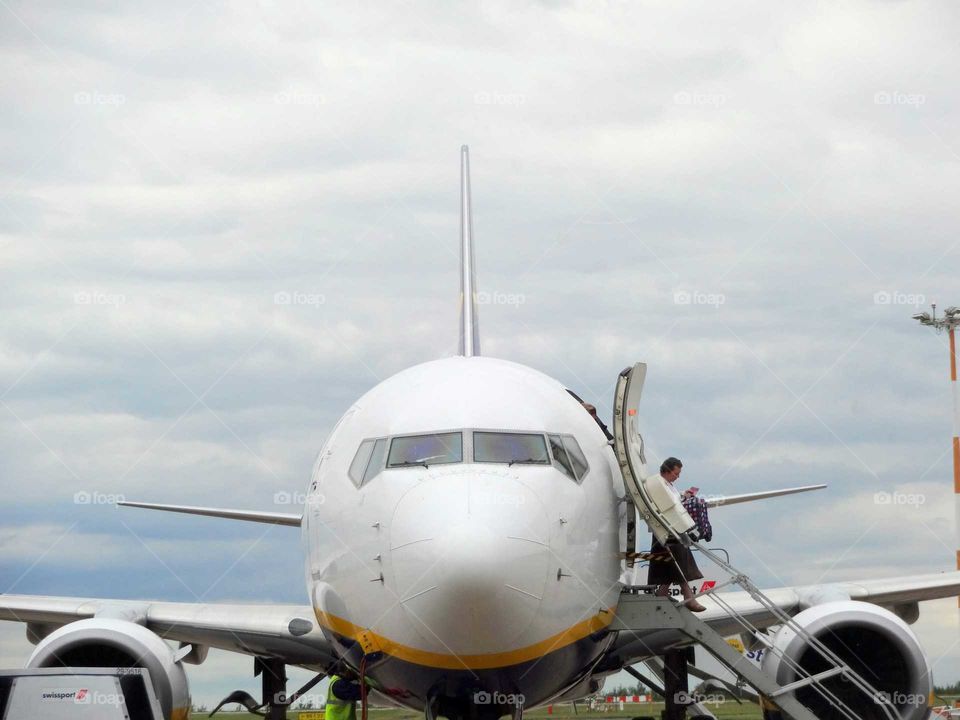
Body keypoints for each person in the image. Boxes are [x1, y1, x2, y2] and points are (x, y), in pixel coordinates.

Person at [646, 457, 706, 612]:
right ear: (667, 470)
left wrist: (683, 495)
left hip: (672, 530)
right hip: (667, 531)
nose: (677, 477)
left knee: (670, 567)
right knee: (678, 563)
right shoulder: (658, 484)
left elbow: (673, 500)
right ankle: (688, 598)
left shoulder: (667, 485)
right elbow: (667, 504)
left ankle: (662, 595)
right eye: (676, 473)